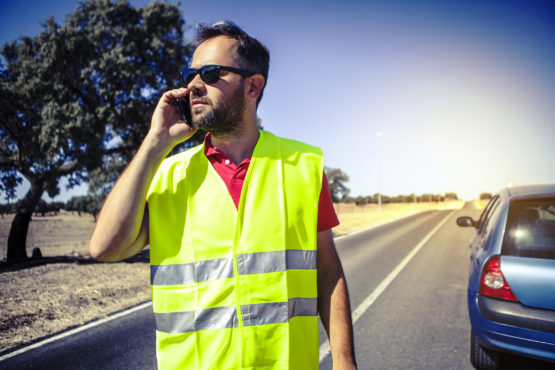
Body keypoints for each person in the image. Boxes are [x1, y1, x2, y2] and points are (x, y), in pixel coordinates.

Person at [90, 20, 356, 370]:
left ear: (253, 86)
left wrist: (344, 360)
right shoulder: (167, 174)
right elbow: (104, 248)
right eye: (191, 74)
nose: (194, 85)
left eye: (211, 73)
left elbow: (327, 270)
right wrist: (155, 143)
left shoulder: (302, 165)